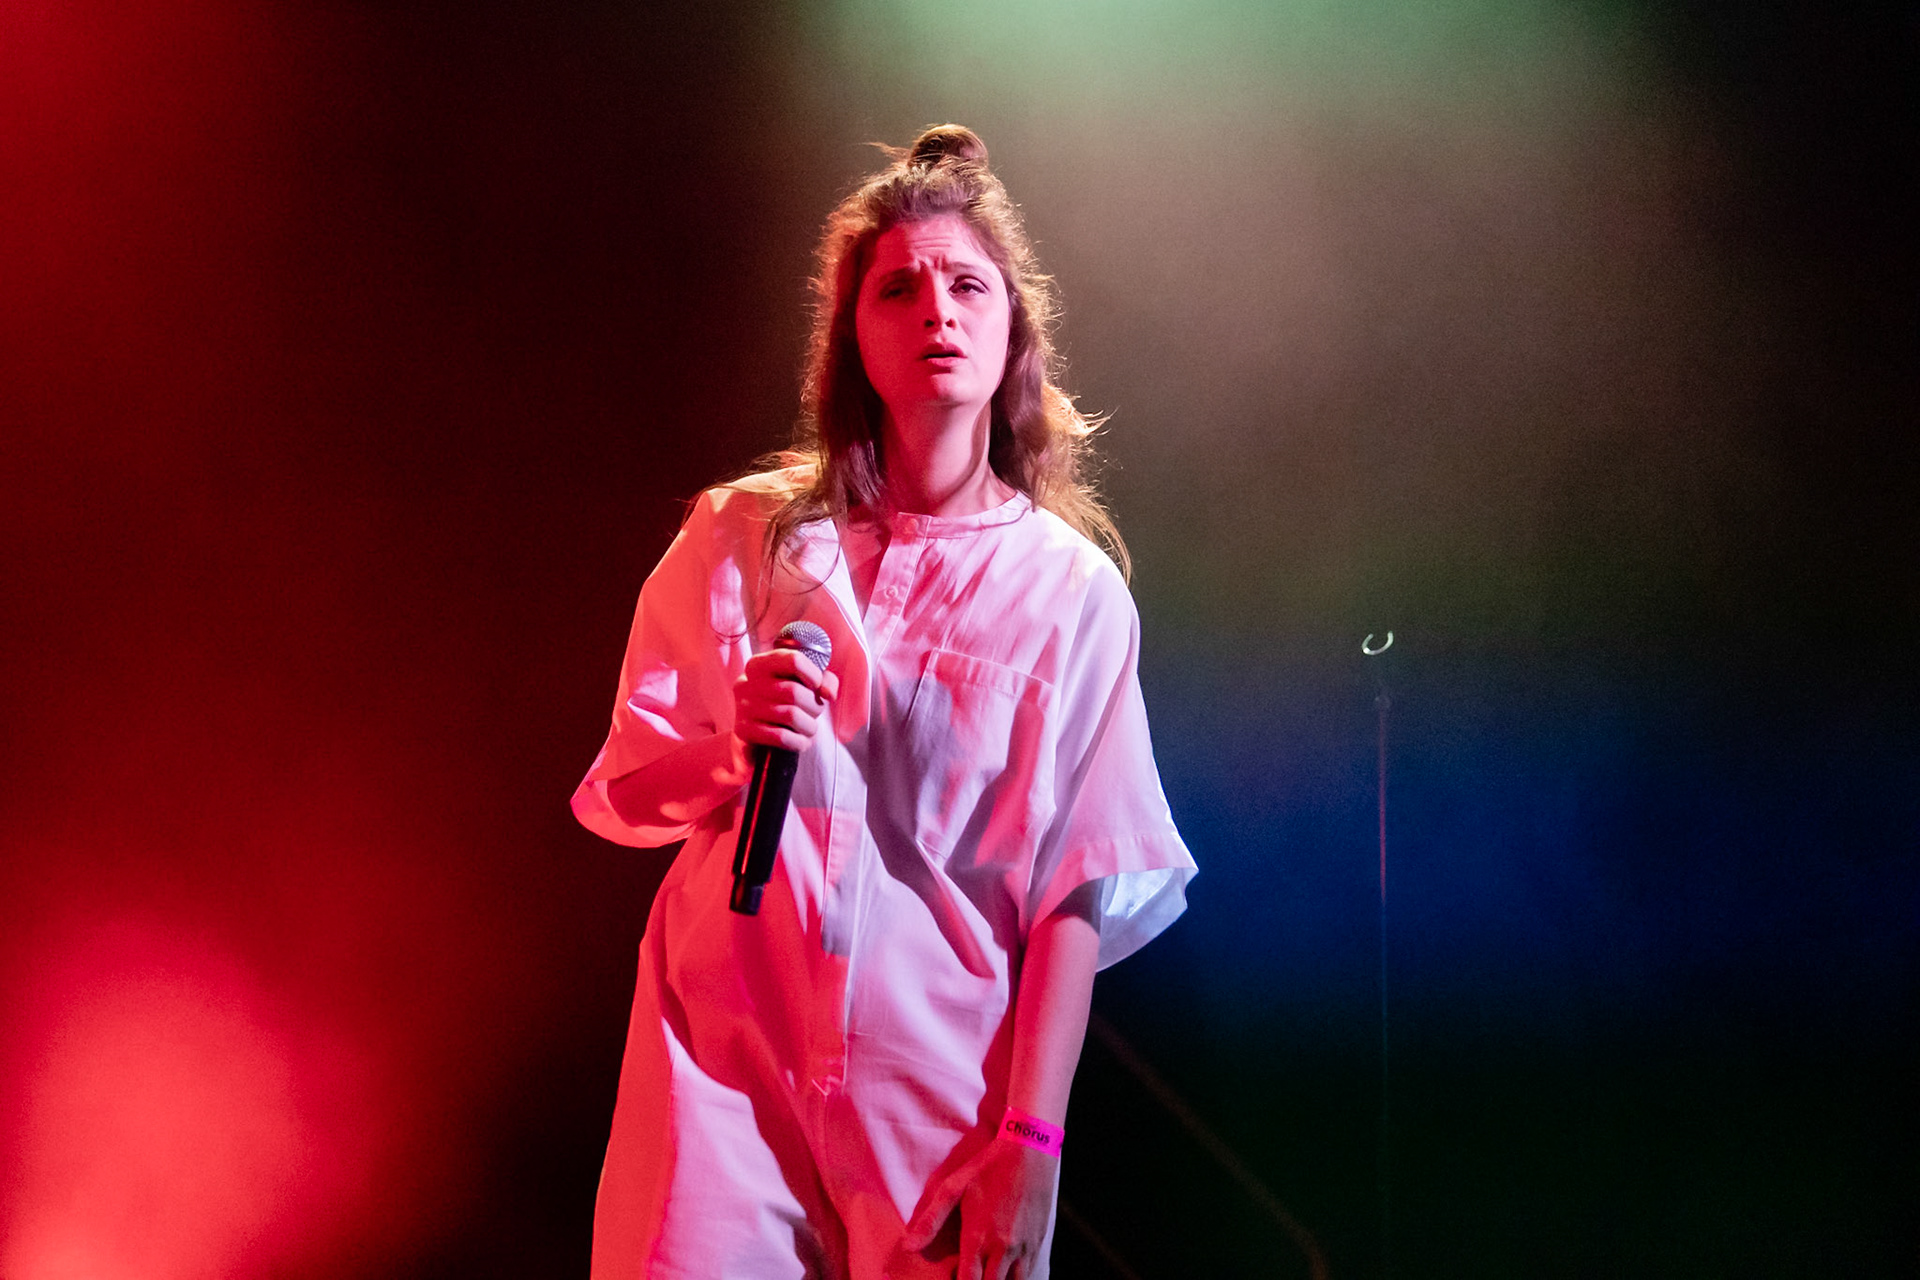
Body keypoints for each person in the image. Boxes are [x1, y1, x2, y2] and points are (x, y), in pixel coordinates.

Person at [572, 124, 1195, 1280]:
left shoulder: (1071, 593)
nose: (936, 311)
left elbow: (1077, 883)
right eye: (898, 288)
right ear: (852, 337)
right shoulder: (743, 537)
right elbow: (623, 788)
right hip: (722, 1076)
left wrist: (1035, 1141)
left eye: (967, 284)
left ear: (1015, 329)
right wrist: (730, 751)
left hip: (937, 1108)